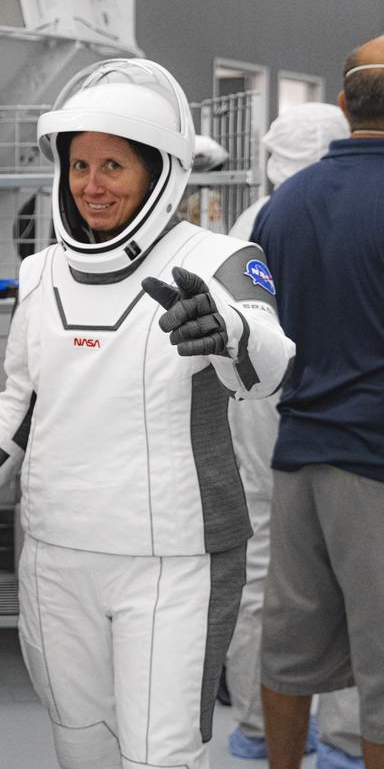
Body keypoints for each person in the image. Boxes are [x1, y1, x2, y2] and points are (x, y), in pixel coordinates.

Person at [0, 57, 295, 769]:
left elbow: (272, 365)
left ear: (158, 172)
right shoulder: (41, 272)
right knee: (81, 748)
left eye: (113, 166)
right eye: (79, 164)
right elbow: (22, 404)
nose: (91, 185)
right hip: (56, 555)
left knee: (162, 756)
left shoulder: (223, 258)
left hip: (173, 560)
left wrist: (232, 333)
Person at [254, 36, 384, 769]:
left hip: (297, 453)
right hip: (376, 465)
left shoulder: (284, 207)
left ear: (342, 106)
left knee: (289, 647)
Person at [224, 102, 364, 767]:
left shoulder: (254, 223)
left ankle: (261, 727)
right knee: (360, 589)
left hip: (265, 415)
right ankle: (344, 740)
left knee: (264, 573)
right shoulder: (364, 198)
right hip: (353, 426)